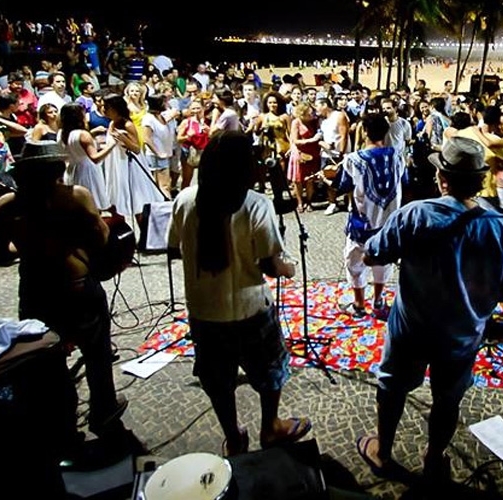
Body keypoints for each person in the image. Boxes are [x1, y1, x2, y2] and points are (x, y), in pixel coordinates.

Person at [355, 136, 503, 483]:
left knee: (393, 387)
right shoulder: (502, 229)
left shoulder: (416, 214)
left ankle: (383, 452)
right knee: (448, 399)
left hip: (411, 331)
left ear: (441, 179)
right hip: (463, 336)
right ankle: (434, 458)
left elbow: (372, 254)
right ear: (480, 181)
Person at [167, 130, 312, 456]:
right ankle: (270, 427)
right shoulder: (255, 205)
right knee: (269, 370)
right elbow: (271, 266)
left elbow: (175, 246)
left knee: (218, 380)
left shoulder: (185, 200)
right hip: (252, 311)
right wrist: (288, 268)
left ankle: (234, 437)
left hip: (204, 311)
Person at [0, 140, 129, 449]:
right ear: (58, 169)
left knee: (47, 360)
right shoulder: (75, 197)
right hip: (77, 287)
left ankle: (61, 421)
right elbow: (103, 241)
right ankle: (104, 411)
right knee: (96, 353)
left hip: (36, 290)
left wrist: (26, 244)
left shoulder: (6, 206)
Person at [336, 113, 406, 318]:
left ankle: (359, 304)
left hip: (362, 224)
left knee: (355, 262)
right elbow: (404, 180)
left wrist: (329, 175)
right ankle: (378, 301)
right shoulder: (397, 155)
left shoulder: (352, 160)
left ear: (364, 131)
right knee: (383, 261)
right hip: (388, 224)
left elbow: (343, 186)